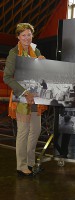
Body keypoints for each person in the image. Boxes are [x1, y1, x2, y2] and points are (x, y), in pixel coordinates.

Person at [3, 23, 47, 176]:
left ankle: (30, 161)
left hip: (35, 98)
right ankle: (21, 166)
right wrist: (25, 92)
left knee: (36, 130)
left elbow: (41, 75)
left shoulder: (36, 51)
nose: (26, 38)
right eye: (23, 35)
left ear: (32, 35)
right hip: (22, 97)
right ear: (18, 37)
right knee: (23, 131)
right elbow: (7, 77)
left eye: (29, 34)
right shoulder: (13, 53)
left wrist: (43, 63)